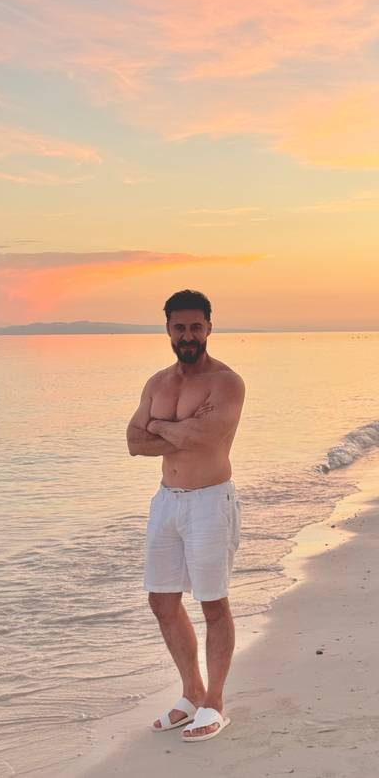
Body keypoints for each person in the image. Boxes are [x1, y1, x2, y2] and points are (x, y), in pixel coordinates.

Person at [126, 289, 245, 742]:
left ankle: (215, 703)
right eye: (180, 327)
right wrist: (171, 429)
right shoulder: (158, 383)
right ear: (169, 330)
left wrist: (159, 427)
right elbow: (134, 442)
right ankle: (191, 693)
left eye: (196, 326)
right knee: (162, 601)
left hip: (210, 502)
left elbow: (206, 437)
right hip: (166, 503)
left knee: (213, 603)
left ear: (209, 328)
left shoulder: (226, 382)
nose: (188, 335)